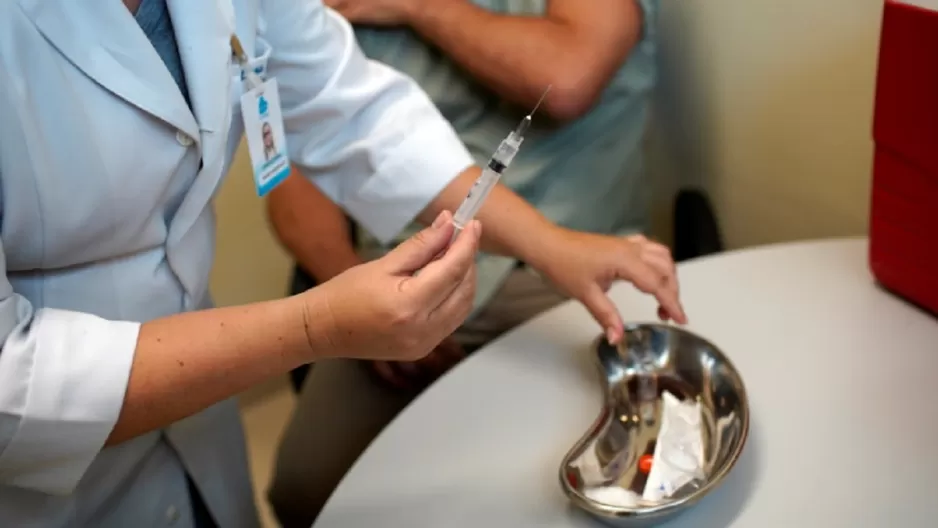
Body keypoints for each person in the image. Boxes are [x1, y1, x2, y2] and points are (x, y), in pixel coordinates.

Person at [0, 1, 683, 527]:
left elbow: (352, 111)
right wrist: (313, 327)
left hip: (194, 405)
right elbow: (12, 382)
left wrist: (546, 243)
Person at [266, 0, 664, 525]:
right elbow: (300, 155)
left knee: (579, 492)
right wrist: (349, 297)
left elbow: (567, 80)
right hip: (398, 275)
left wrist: (414, 6)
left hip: (555, 278)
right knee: (306, 488)